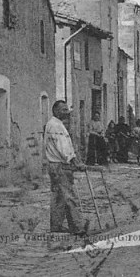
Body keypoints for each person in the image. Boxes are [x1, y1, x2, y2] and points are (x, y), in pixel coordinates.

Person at [44, 100, 88, 235]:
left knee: (59, 196)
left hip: (55, 165)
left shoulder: (55, 124)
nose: (67, 112)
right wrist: (75, 162)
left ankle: (56, 225)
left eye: (67, 109)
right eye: (63, 110)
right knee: (69, 196)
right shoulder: (56, 126)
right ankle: (78, 227)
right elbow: (63, 147)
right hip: (60, 166)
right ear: (56, 111)